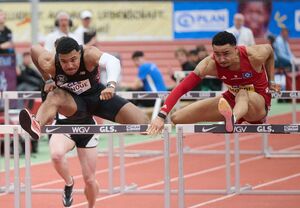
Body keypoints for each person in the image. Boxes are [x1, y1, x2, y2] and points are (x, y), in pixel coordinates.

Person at [19, 37, 149, 207]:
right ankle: (36, 124)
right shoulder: (50, 62)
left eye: (73, 60)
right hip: (73, 105)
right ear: (57, 58)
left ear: (79, 53)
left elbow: (112, 61)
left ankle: (91, 205)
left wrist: (111, 84)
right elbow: (35, 49)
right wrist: (48, 79)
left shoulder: (89, 53)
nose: (70, 66)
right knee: (54, 95)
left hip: (99, 97)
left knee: (144, 125)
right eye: (64, 62)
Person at [147, 31, 281, 134]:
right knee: (177, 117)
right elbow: (182, 88)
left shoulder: (253, 55)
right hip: (231, 100)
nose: (221, 59)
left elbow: (269, 51)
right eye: (217, 54)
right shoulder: (209, 64)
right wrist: (161, 116)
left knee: (242, 93)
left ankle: (231, 120)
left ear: (236, 50)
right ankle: (230, 117)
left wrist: (272, 80)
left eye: (226, 53)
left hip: (257, 104)